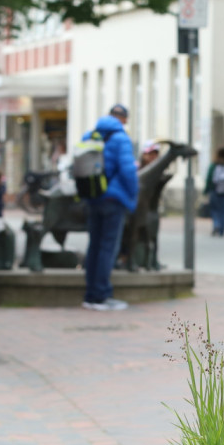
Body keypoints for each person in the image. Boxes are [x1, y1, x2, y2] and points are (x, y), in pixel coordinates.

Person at [81, 104, 139, 312]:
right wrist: (133, 195)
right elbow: (128, 171)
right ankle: (102, 295)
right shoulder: (121, 139)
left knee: (94, 246)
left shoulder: (89, 135)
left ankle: (90, 295)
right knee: (108, 247)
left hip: (92, 197)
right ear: (123, 119)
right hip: (113, 199)